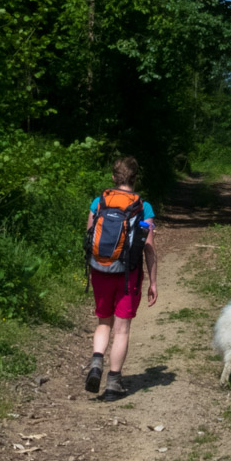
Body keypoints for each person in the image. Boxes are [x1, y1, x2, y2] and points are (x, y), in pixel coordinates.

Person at [83, 156, 160, 397]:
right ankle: (113, 382)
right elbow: (148, 247)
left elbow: (89, 237)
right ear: (135, 179)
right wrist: (154, 281)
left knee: (103, 322)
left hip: (100, 270)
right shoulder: (143, 207)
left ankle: (97, 362)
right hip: (129, 274)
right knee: (122, 329)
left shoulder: (99, 202)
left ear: (114, 178)